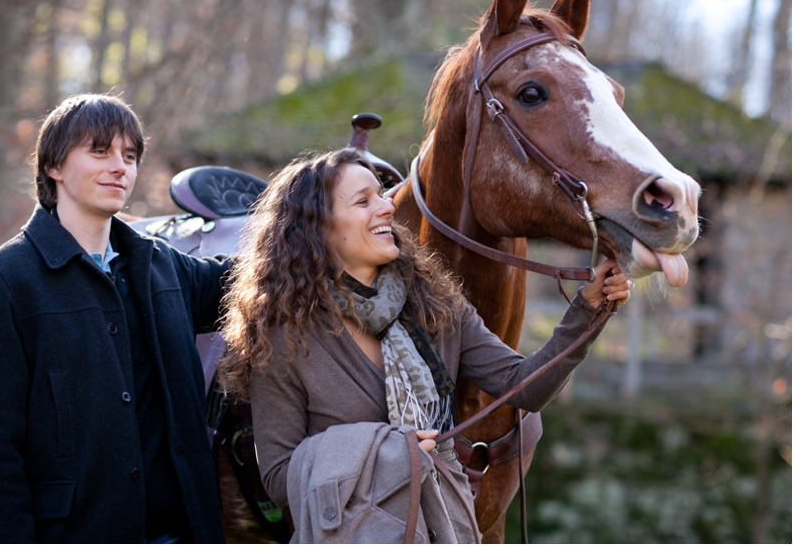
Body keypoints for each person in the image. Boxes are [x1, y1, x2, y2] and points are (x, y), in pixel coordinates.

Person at [217, 148, 631, 542]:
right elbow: (278, 476)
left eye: (381, 195)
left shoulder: (436, 307)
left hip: (445, 530)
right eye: (363, 202)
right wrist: (389, 451)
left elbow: (525, 384)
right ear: (317, 229)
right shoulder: (282, 339)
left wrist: (588, 311)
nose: (387, 207)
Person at [0, 94, 228, 543]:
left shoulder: (162, 266)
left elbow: (254, 282)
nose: (120, 166)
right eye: (100, 151)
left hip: (179, 532)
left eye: (130, 155)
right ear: (53, 167)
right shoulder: (3, 282)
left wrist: (325, 220)